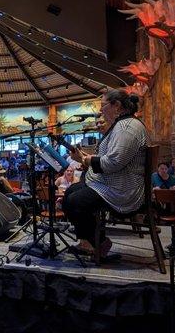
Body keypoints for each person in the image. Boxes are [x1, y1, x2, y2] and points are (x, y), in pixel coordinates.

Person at [63, 89, 148, 258]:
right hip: (114, 183)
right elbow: (111, 157)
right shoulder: (122, 125)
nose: (100, 111)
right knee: (71, 192)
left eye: (103, 106)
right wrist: (85, 158)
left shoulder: (126, 128)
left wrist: (85, 160)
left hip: (122, 189)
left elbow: (113, 162)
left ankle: (99, 243)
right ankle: (87, 242)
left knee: (75, 201)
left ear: (116, 105)